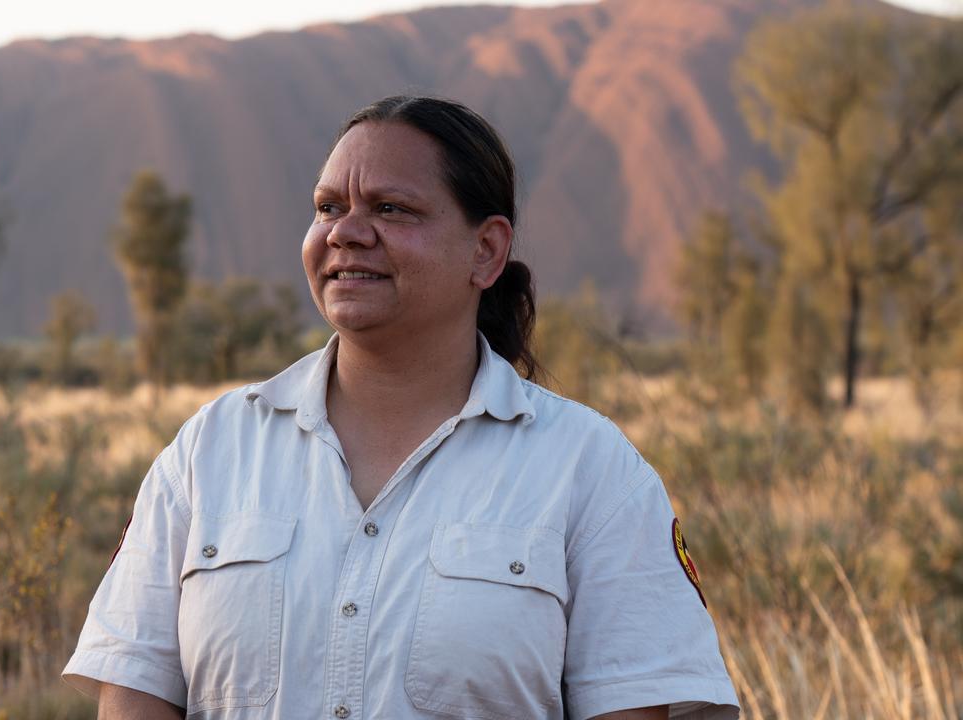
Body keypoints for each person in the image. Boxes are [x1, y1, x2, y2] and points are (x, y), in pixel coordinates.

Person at [63, 95, 741, 719]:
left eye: (391, 209)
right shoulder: (209, 451)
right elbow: (134, 698)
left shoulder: (591, 472)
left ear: (487, 250)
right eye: (329, 207)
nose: (347, 232)